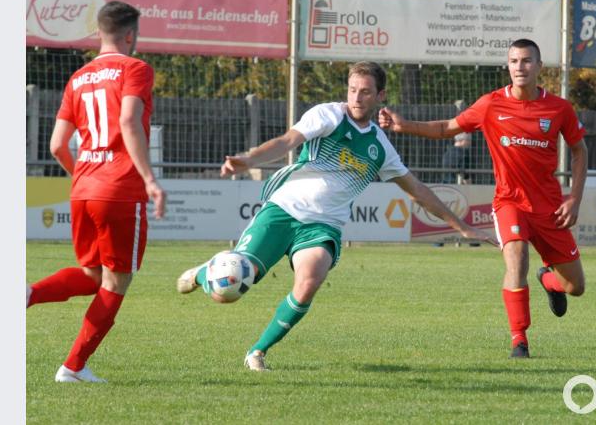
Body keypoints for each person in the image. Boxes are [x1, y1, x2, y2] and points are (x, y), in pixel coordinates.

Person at [177, 61, 497, 371]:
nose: (357, 97)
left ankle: (257, 351)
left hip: (323, 226)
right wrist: (248, 160)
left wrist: (463, 227)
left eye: (366, 91)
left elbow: (418, 190)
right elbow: (287, 141)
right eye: (353, 89)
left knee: (309, 281)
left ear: (380, 96)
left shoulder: (380, 147)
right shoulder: (328, 114)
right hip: (284, 210)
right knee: (228, 292)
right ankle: (205, 272)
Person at [379, 39, 588, 358]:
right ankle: (519, 340)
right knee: (516, 259)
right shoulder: (491, 104)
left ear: (539, 67)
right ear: (508, 66)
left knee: (576, 287)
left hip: (549, 208)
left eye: (527, 61)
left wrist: (574, 198)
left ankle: (549, 280)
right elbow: (447, 127)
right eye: (515, 61)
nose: (520, 67)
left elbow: (579, 151)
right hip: (510, 203)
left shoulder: (559, 109)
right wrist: (403, 125)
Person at [26, 1, 166, 382]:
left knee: (91, 275)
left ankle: (27, 294)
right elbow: (128, 120)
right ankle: (73, 367)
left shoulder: (79, 76)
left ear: (99, 33)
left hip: (83, 189)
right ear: (131, 35)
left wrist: (82, 177)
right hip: (119, 190)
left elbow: (57, 145)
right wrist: (150, 179)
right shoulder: (136, 68)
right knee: (116, 281)